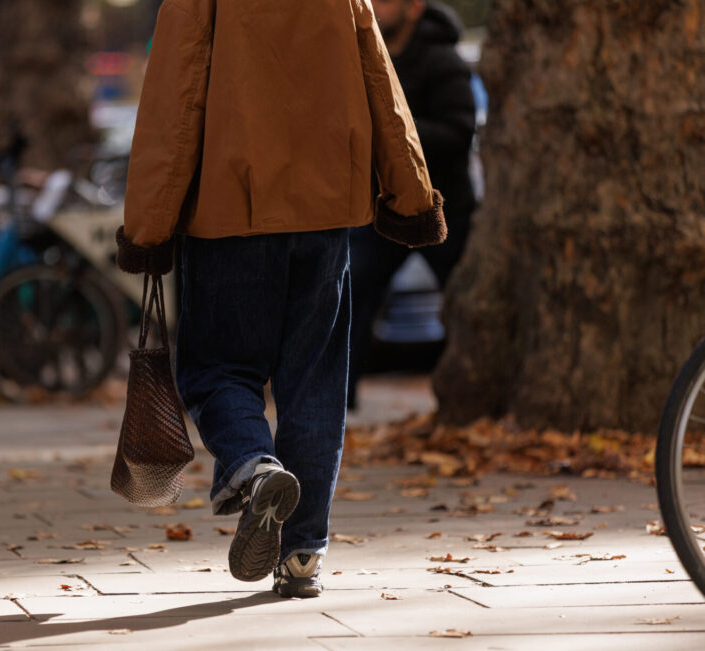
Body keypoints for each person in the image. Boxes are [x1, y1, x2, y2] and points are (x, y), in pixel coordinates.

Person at [117, 0, 445, 598]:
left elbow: (175, 99)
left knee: (217, 368)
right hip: (326, 207)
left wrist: (147, 229)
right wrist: (412, 196)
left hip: (228, 209)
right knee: (315, 382)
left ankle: (252, 464)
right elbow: (379, 76)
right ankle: (301, 555)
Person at [348, 0, 477, 409]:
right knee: (350, 299)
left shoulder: (443, 60)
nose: (376, 7)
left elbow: (459, 133)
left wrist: (395, 131)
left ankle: (470, 399)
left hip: (444, 210)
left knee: (466, 303)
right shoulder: (367, 57)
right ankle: (338, 404)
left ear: (415, 7)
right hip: (385, 209)